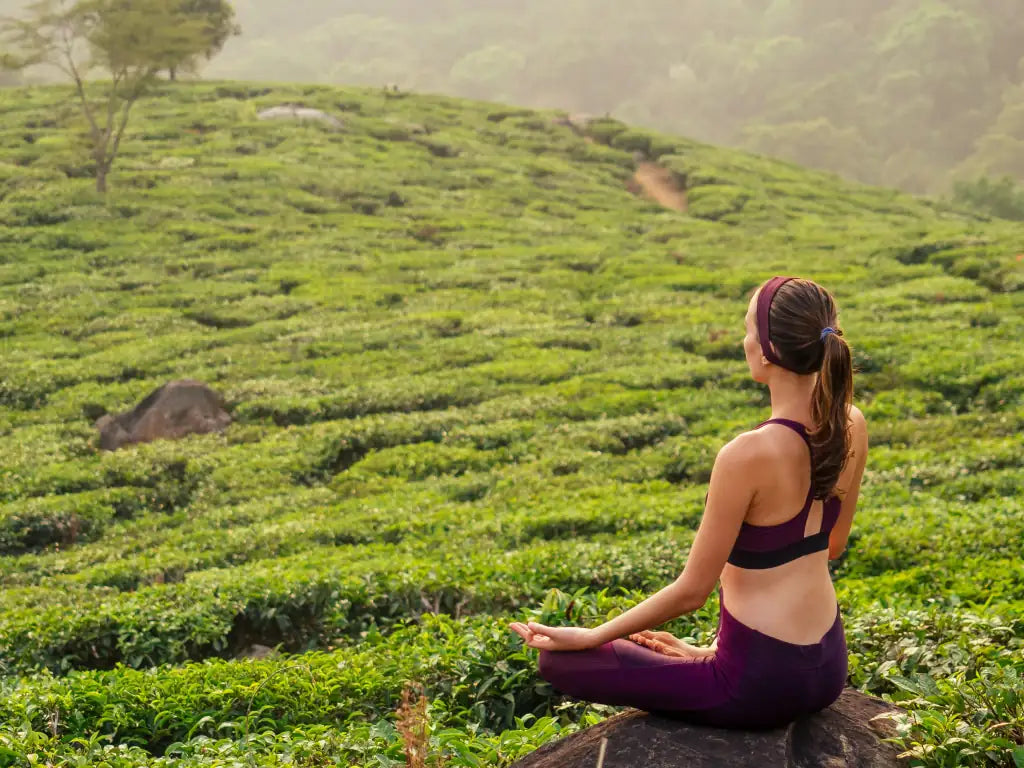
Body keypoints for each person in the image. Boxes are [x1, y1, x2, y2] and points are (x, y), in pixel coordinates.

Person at [509, 276, 869, 729]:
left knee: (560, 663)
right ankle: (714, 656)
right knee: (652, 646)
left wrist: (591, 636)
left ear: (767, 351)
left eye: (747, 331)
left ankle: (709, 662)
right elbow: (832, 545)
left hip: (757, 684)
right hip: (827, 667)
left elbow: (692, 592)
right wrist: (708, 650)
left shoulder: (747, 454)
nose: (743, 341)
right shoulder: (851, 422)